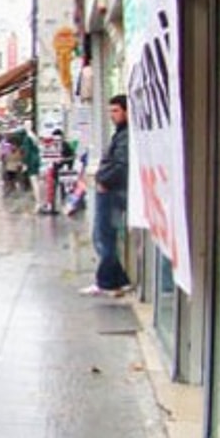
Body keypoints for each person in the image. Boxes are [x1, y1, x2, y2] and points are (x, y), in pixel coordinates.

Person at [80, 95, 132, 297]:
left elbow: (121, 164)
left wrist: (104, 180)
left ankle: (107, 282)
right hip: (113, 190)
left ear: (127, 111)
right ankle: (119, 279)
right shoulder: (121, 134)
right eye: (110, 111)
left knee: (104, 236)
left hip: (113, 192)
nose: (112, 115)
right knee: (105, 235)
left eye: (116, 111)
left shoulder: (125, 136)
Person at [20, 122, 43, 212]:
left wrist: (25, 163)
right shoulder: (34, 136)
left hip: (31, 161)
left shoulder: (27, 137)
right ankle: (40, 201)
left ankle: (38, 203)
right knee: (38, 181)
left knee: (34, 182)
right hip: (37, 159)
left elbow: (27, 152)